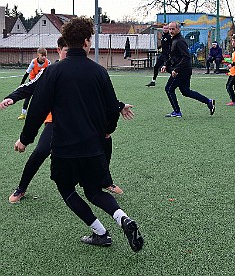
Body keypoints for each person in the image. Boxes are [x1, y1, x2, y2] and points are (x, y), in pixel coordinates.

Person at [13, 17, 144, 250]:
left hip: (65, 149)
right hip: (93, 147)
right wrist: (107, 131)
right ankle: (123, 218)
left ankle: (100, 233)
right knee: (94, 190)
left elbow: (37, 110)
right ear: (86, 42)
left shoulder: (53, 72)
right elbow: (112, 106)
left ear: (67, 42)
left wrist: (25, 139)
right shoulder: (99, 72)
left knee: (66, 189)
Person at [1, 37, 126, 203]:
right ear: (59, 50)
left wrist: (120, 105)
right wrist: (12, 97)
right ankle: (21, 188)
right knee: (41, 151)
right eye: (65, 50)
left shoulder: (85, 70)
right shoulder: (51, 71)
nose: (68, 54)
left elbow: (97, 96)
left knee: (106, 142)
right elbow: (30, 86)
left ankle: (106, 181)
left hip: (83, 119)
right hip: (57, 120)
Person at [160, 21, 215, 118]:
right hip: (184, 70)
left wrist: (176, 69)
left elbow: (186, 57)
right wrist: (166, 64)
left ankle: (177, 112)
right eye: (170, 29)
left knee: (169, 89)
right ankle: (208, 101)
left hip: (181, 71)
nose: (171, 31)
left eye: (173, 29)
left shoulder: (180, 41)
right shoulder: (174, 39)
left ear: (178, 29)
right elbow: (174, 56)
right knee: (186, 91)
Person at [18, 47, 51, 120]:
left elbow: (50, 73)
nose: (44, 57)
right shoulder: (33, 62)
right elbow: (27, 73)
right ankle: (23, 113)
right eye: (42, 55)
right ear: (38, 55)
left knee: (43, 97)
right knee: (28, 97)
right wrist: (22, 83)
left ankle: (45, 114)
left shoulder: (48, 63)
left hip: (42, 82)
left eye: (45, 55)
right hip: (32, 81)